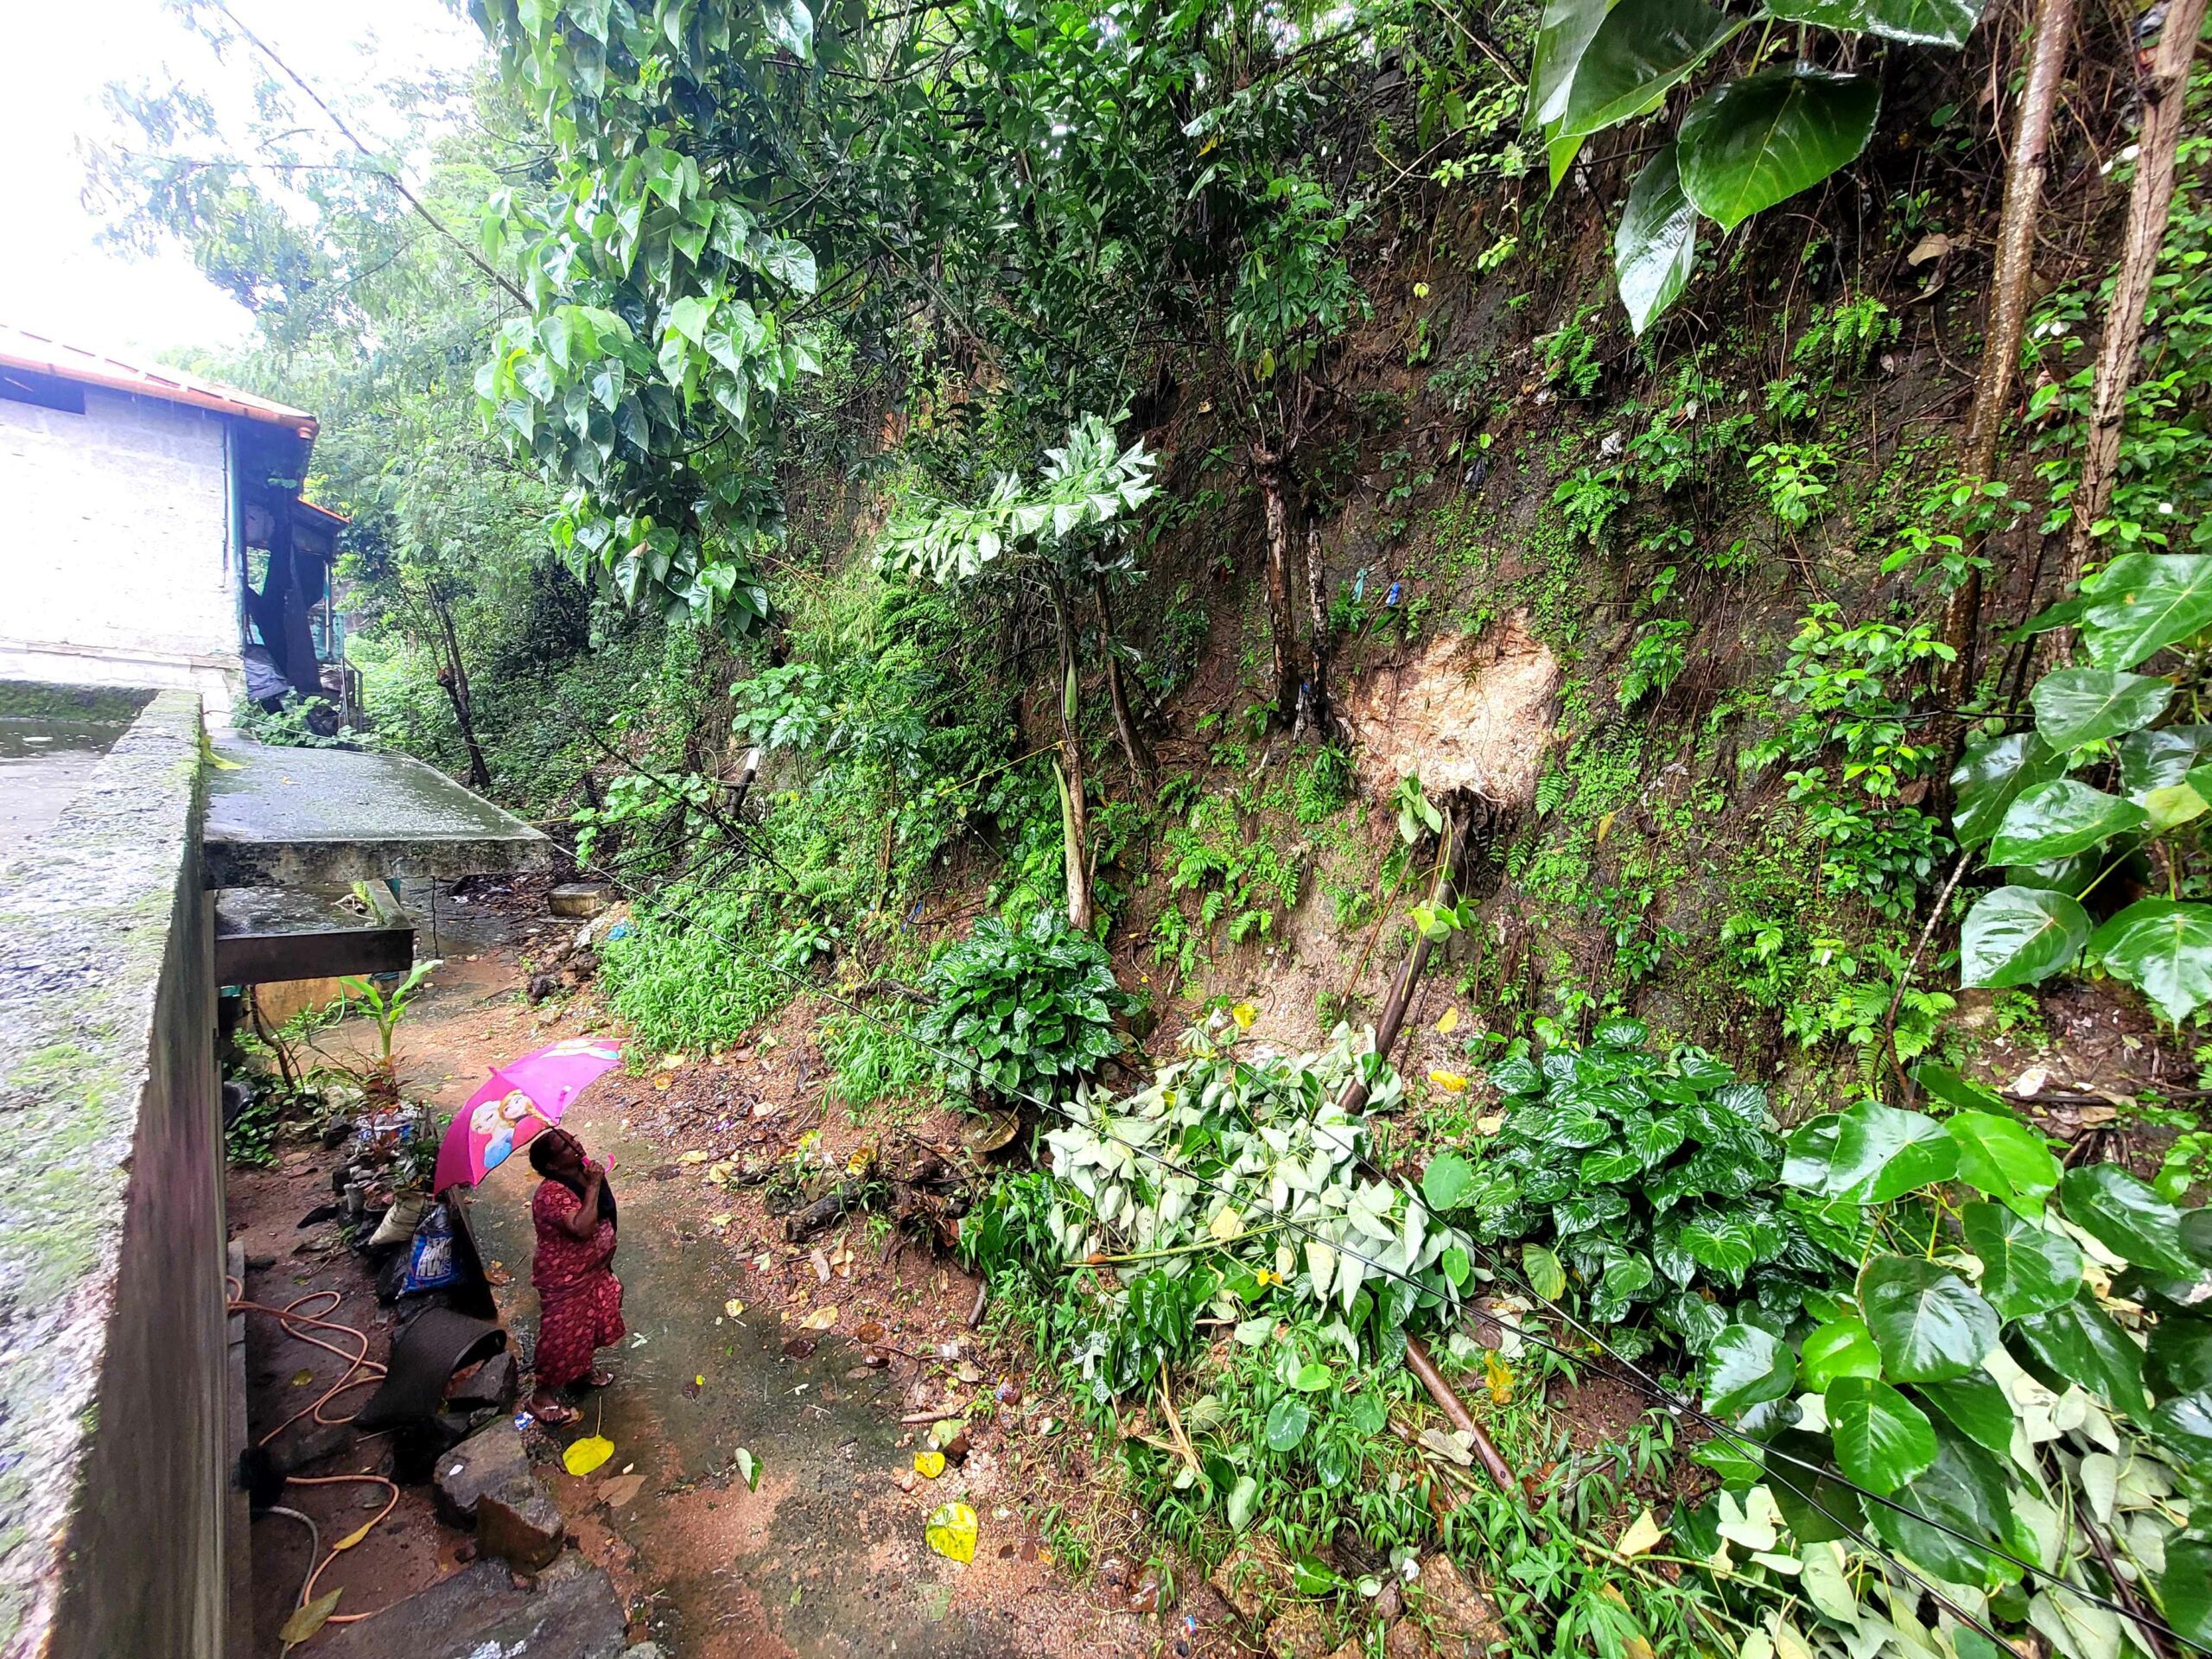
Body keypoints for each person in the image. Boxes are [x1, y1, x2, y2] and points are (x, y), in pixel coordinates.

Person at [524, 1128, 624, 1425]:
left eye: (572, 1138)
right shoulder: (550, 1193)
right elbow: (582, 1228)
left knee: (594, 1320)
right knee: (563, 1335)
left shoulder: (584, 1171)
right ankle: (541, 1397)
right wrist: (593, 1185)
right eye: (565, 1146)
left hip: (593, 1269)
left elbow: (607, 1213)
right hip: (566, 1276)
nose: (575, 1144)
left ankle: (579, 1374)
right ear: (553, 1165)